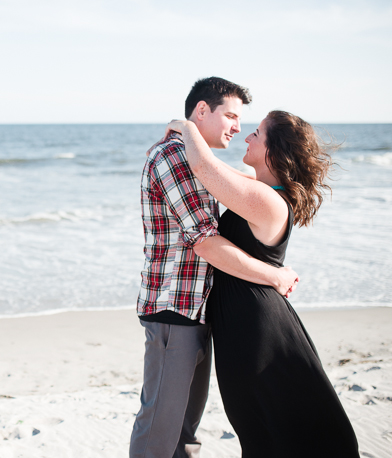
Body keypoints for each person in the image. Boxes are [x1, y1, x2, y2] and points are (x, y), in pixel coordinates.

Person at [164, 110, 359, 455]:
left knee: (270, 425)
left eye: (256, 133)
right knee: (259, 425)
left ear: (274, 150)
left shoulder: (269, 200)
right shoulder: (260, 189)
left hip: (256, 328)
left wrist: (186, 126)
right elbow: (214, 168)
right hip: (244, 321)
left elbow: (205, 169)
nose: (247, 138)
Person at [131, 77, 300, 458]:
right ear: (203, 110)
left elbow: (247, 180)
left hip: (196, 310)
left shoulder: (196, 160)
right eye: (231, 116)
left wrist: (187, 128)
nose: (238, 128)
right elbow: (204, 242)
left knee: (186, 431)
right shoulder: (173, 157)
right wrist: (274, 275)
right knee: (160, 425)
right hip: (174, 310)